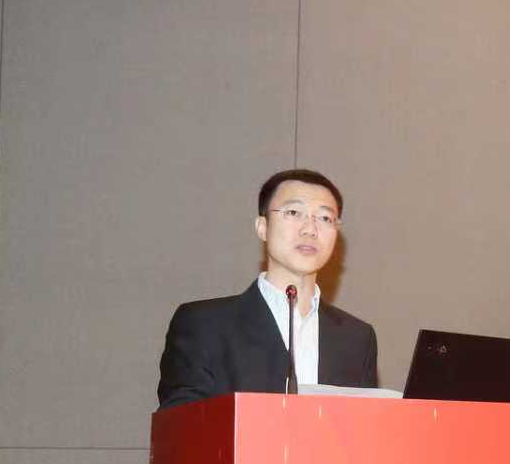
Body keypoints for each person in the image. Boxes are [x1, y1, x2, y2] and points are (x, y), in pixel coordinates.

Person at [156, 168, 378, 408]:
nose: (310, 229)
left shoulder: (357, 338)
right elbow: (183, 423)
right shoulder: (204, 325)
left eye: (325, 218)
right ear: (262, 227)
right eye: (293, 213)